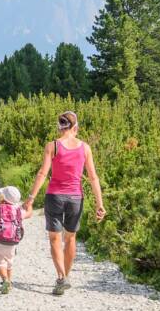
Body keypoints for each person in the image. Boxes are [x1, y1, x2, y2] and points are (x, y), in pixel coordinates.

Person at [24, 111, 105, 296]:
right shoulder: (85, 148)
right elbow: (93, 177)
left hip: (54, 197)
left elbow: (42, 174)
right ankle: (65, 276)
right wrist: (99, 204)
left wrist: (31, 198)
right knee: (70, 238)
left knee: (54, 238)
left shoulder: (52, 146)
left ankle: (61, 277)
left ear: (60, 126)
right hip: (76, 198)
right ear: (75, 127)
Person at [0, 186, 33, 294]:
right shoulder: (18, 210)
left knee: (0, 262)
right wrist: (30, 205)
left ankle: (4, 280)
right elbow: (29, 214)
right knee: (9, 262)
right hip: (12, 242)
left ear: (3, 198)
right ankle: (9, 281)